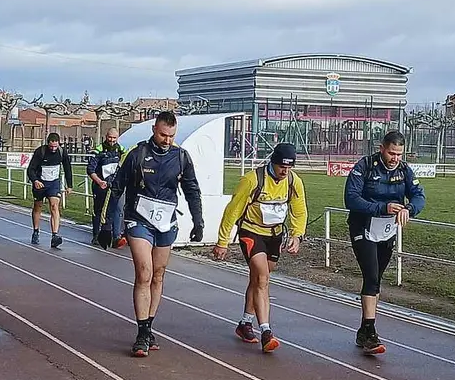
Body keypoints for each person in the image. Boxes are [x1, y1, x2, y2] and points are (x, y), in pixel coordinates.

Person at [107, 111, 204, 357]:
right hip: (138, 220)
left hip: (166, 223)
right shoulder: (137, 155)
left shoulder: (181, 157)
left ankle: (149, 325)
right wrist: (109, 225)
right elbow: (117, 189)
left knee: (158, 275)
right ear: (154, 129)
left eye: (171, 135)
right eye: (163, 134)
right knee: (144, 272)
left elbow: (192, 190)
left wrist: (198, 221)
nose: (167, 139)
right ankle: (141, 333)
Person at [213, 142, 308, 353]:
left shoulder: (294, 182)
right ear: (273, 162)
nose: (285, 171)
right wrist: (222, 241)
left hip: (274, 235)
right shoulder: (252, 180)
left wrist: (297, 235)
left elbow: (299, 211)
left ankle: (245, 322)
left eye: (289, 167)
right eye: (281, 166)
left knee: (258, 279)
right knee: (262, 278)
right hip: (251, 232)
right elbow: (232, 211)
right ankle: (266, 331)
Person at [343, 131, 425, 355]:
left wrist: (410, 209)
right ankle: (370, 332)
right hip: (363, 227)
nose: (395, 158)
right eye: (391, 153)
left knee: (376, 280)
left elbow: (419, 196)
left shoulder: (404, 170)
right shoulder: (365, 166)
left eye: (399, 154)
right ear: (382, 148)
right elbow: (351, 199)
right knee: (370, 277)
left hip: (387, 231)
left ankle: (363, 330)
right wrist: (383, 208)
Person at [26, 132, 73, 248]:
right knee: (38, 206)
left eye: (55, 146)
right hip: (40, 183)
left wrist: (69, 185)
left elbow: (68, 168)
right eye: (51, 146)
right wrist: (35, 181)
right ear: (48, 144)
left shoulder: (62, 152)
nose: (53, 149)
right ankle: (36, 231)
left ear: (59, 144)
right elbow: (30, 169)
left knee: (54, 206)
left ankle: (54, 235)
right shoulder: (40, 152)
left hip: (54, 183)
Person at [87, 127, 127, 249]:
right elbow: (90, 170)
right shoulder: (98, 150)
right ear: (106, 136)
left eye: (114, 138)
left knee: (118, 210)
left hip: (115, 187)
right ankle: (96, 235)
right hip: (100, 187)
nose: (112, 140)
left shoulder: (121, 150)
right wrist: (99, 182)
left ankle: (116, 237)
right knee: (99, 211)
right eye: (110, 137)